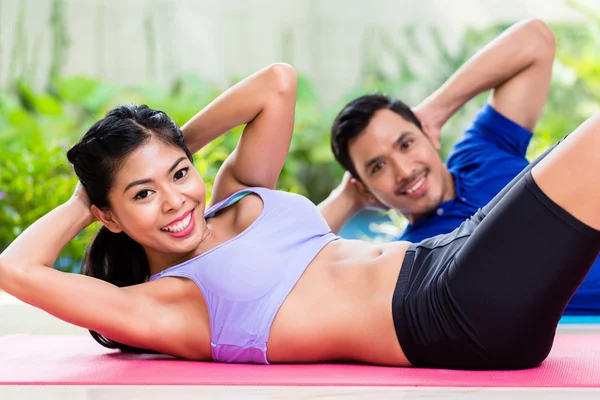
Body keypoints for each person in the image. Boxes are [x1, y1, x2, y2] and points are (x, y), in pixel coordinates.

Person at [1, 61, 600, 371]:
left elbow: (277, 85)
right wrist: (87, 198)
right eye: (141, 195)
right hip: (451, 309)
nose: (176, 201)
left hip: (450, 256)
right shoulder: (164, 305)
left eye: (180, 175)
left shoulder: (236, 193)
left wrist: (164, 149)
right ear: (110, 216)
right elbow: (16, 270)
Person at [319, 19, 600, 315]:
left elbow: (536, 40)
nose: (403, 171)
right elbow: (288, 264)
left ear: (427, 134)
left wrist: (435, 110)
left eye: (406, 144)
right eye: (378, 167)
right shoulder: (411, 259)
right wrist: (348, 199)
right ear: (365, 187)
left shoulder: (482, 149)